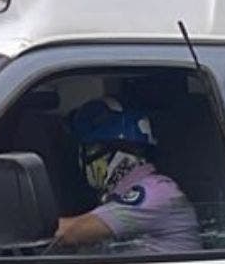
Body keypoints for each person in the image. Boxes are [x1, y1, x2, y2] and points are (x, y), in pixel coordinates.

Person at [51, 97, 202, 255]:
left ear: (110, 151)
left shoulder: (154, 193)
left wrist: (37, 227)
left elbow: (71, 233)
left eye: (90, 150)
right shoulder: (120, 196)